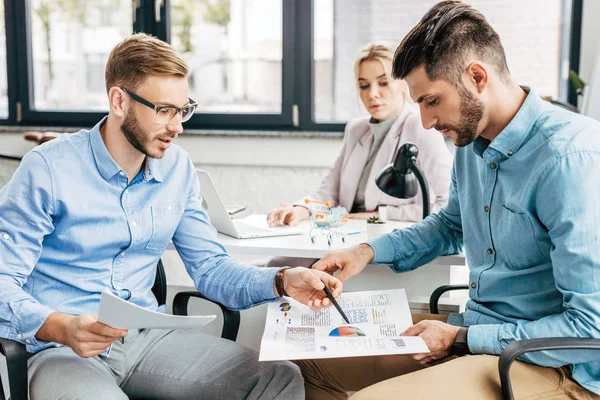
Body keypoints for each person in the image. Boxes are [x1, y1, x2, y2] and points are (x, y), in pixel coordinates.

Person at [0, 33, 343, 400]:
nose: (177, 126)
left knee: (278, 377)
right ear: (119, 100)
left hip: (147, 342)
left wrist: (282, 281)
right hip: (65, 353)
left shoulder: (177, 169)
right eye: (163, 110)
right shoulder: (48, 169)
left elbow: (211, 268)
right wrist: (60, 327)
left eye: (183, 110)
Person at [298, 1, 600, 399]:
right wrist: (366, 251)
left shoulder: (569, 158)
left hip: (552, 364)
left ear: (477, 76)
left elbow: (589, 326)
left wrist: (461, 336)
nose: (425, 121)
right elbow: (450, 226)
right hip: (475, 332)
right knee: (312, 361)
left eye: (431, 101)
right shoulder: (470, 145)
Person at [267, 42, 452, 227]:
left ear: (404, 82)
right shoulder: (356, 129)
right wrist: (299, 210)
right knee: (277, 257)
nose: (372, 94)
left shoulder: (419, 127)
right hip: (346, 234)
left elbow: (448, 203)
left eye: (383, 83)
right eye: (364, 85)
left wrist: (381, 214)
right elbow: (328, 193)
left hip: (388, 239)